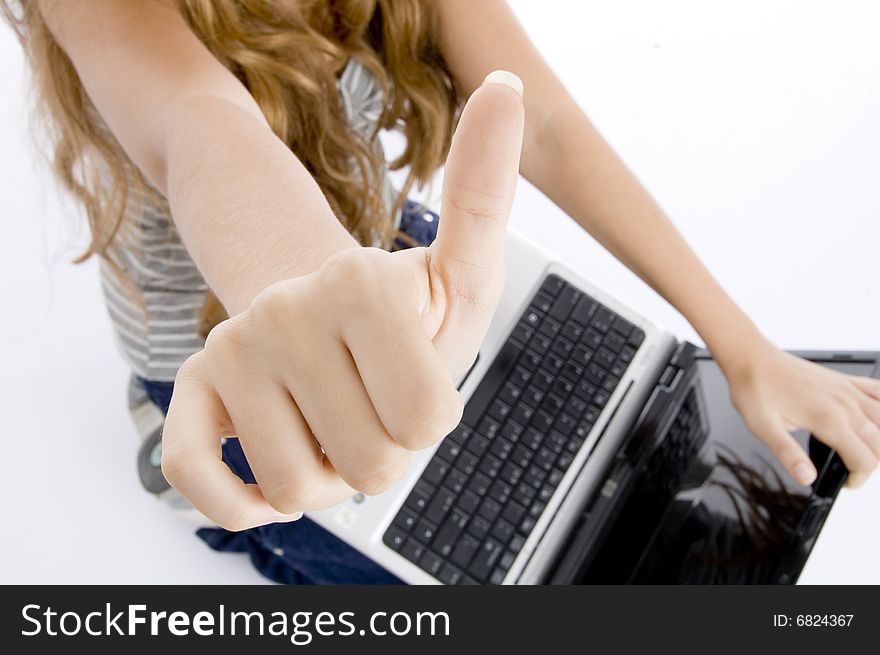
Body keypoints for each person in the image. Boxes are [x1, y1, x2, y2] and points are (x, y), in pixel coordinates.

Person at [3, 0, 878, 584]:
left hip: (376, 250)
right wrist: (317, 289)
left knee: (620, 459)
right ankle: (192, 464)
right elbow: (194, 123)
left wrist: (746, 349)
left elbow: (551, 128)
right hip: (226, 363)